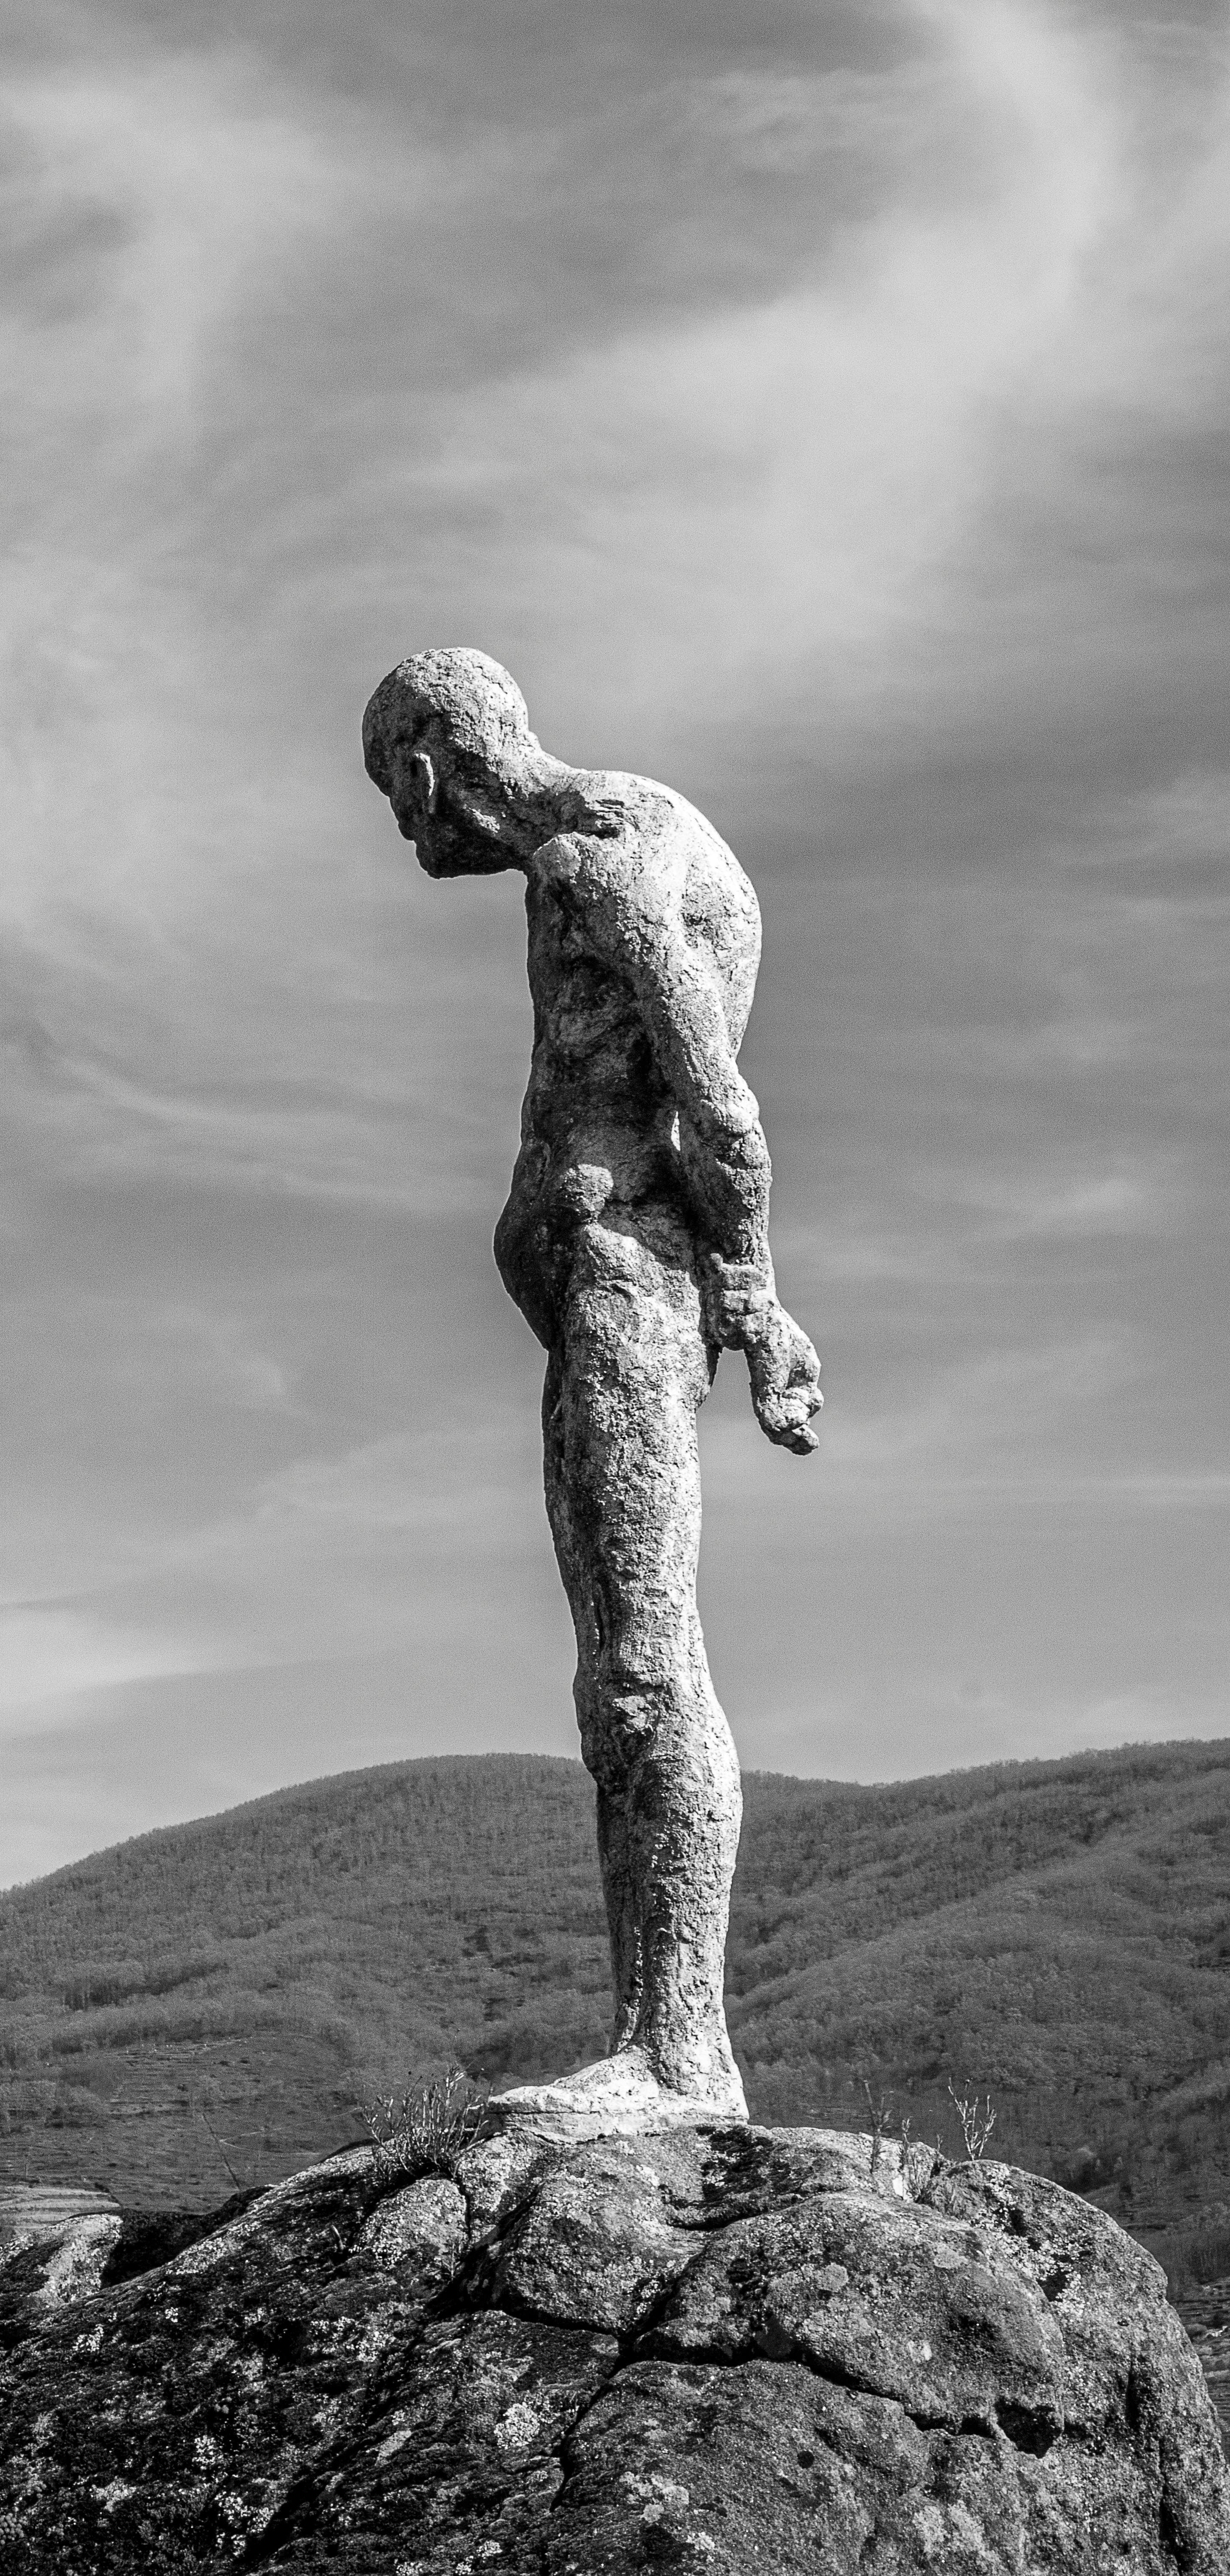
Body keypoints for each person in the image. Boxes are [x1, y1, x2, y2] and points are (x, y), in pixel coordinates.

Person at [363, 648, 822, 2114]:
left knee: (639, 1672)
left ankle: (677, 2053)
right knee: (623, 1672)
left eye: (392, 791)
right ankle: (665, 2037)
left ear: (430, 767)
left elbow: (718, 1096)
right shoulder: (616, 842)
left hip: (631, 1288)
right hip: (610, 1291)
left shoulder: (596, 856)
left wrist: (750, 1291)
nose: (403, 830)